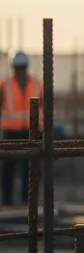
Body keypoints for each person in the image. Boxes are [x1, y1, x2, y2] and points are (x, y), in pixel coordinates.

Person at [1, 52, 44, 206]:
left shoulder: (37, 85)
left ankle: (28, 203)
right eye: (18, 68)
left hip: (32, 132)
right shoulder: (5, 85)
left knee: (31, 169)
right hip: (11, 132)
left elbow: (42, 106)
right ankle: (8, 203)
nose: (20, 70)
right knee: (9, 169)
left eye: (22, 67)